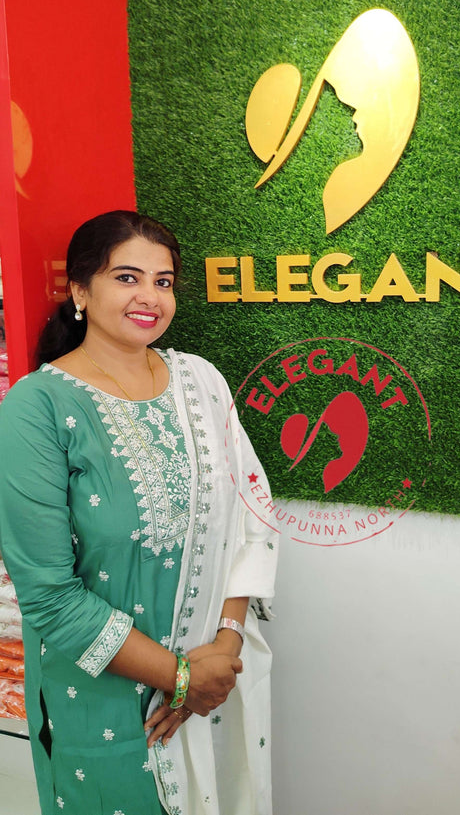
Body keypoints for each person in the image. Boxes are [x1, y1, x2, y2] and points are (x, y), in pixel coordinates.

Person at [0, 210, 278, 815]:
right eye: (127, 277)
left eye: (164, 281)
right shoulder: (37, 407)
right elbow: (48, 594)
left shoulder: (201, 380)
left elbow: (252, 514)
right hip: (105, 701)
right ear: (79, 290)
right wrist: (179, 677)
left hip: (217, 685)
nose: (149, 297)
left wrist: (224, 650)